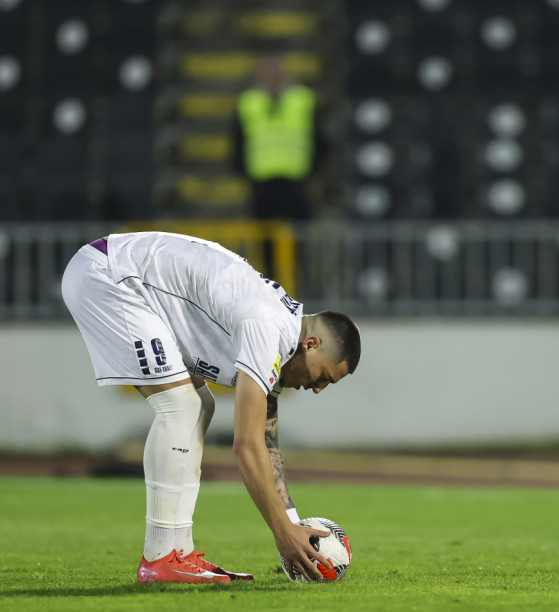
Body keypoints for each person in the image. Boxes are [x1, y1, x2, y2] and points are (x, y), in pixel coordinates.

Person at [61, 231, 361, 583]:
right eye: (323, 376)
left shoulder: (282, 333)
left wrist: (294, 524)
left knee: (199, 405)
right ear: (311, 344)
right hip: (110, 276)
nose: (318, 389)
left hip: (122, 273)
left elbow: (266, 440)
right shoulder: (267, 327)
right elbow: (246, 446)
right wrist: (281, 532)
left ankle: (178, 555)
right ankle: (161, 559)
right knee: (181, 407)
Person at [233, 54, 326, 220]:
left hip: (297, 179)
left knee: (299, 231)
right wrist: (242, 171)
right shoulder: (248, 102)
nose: (272, 77)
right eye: (268, 73)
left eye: (275, 72)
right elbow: (238, 139)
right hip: (261, 180)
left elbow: (319, 137)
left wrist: (315, 168)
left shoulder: (302, 99)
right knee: (264, 235)